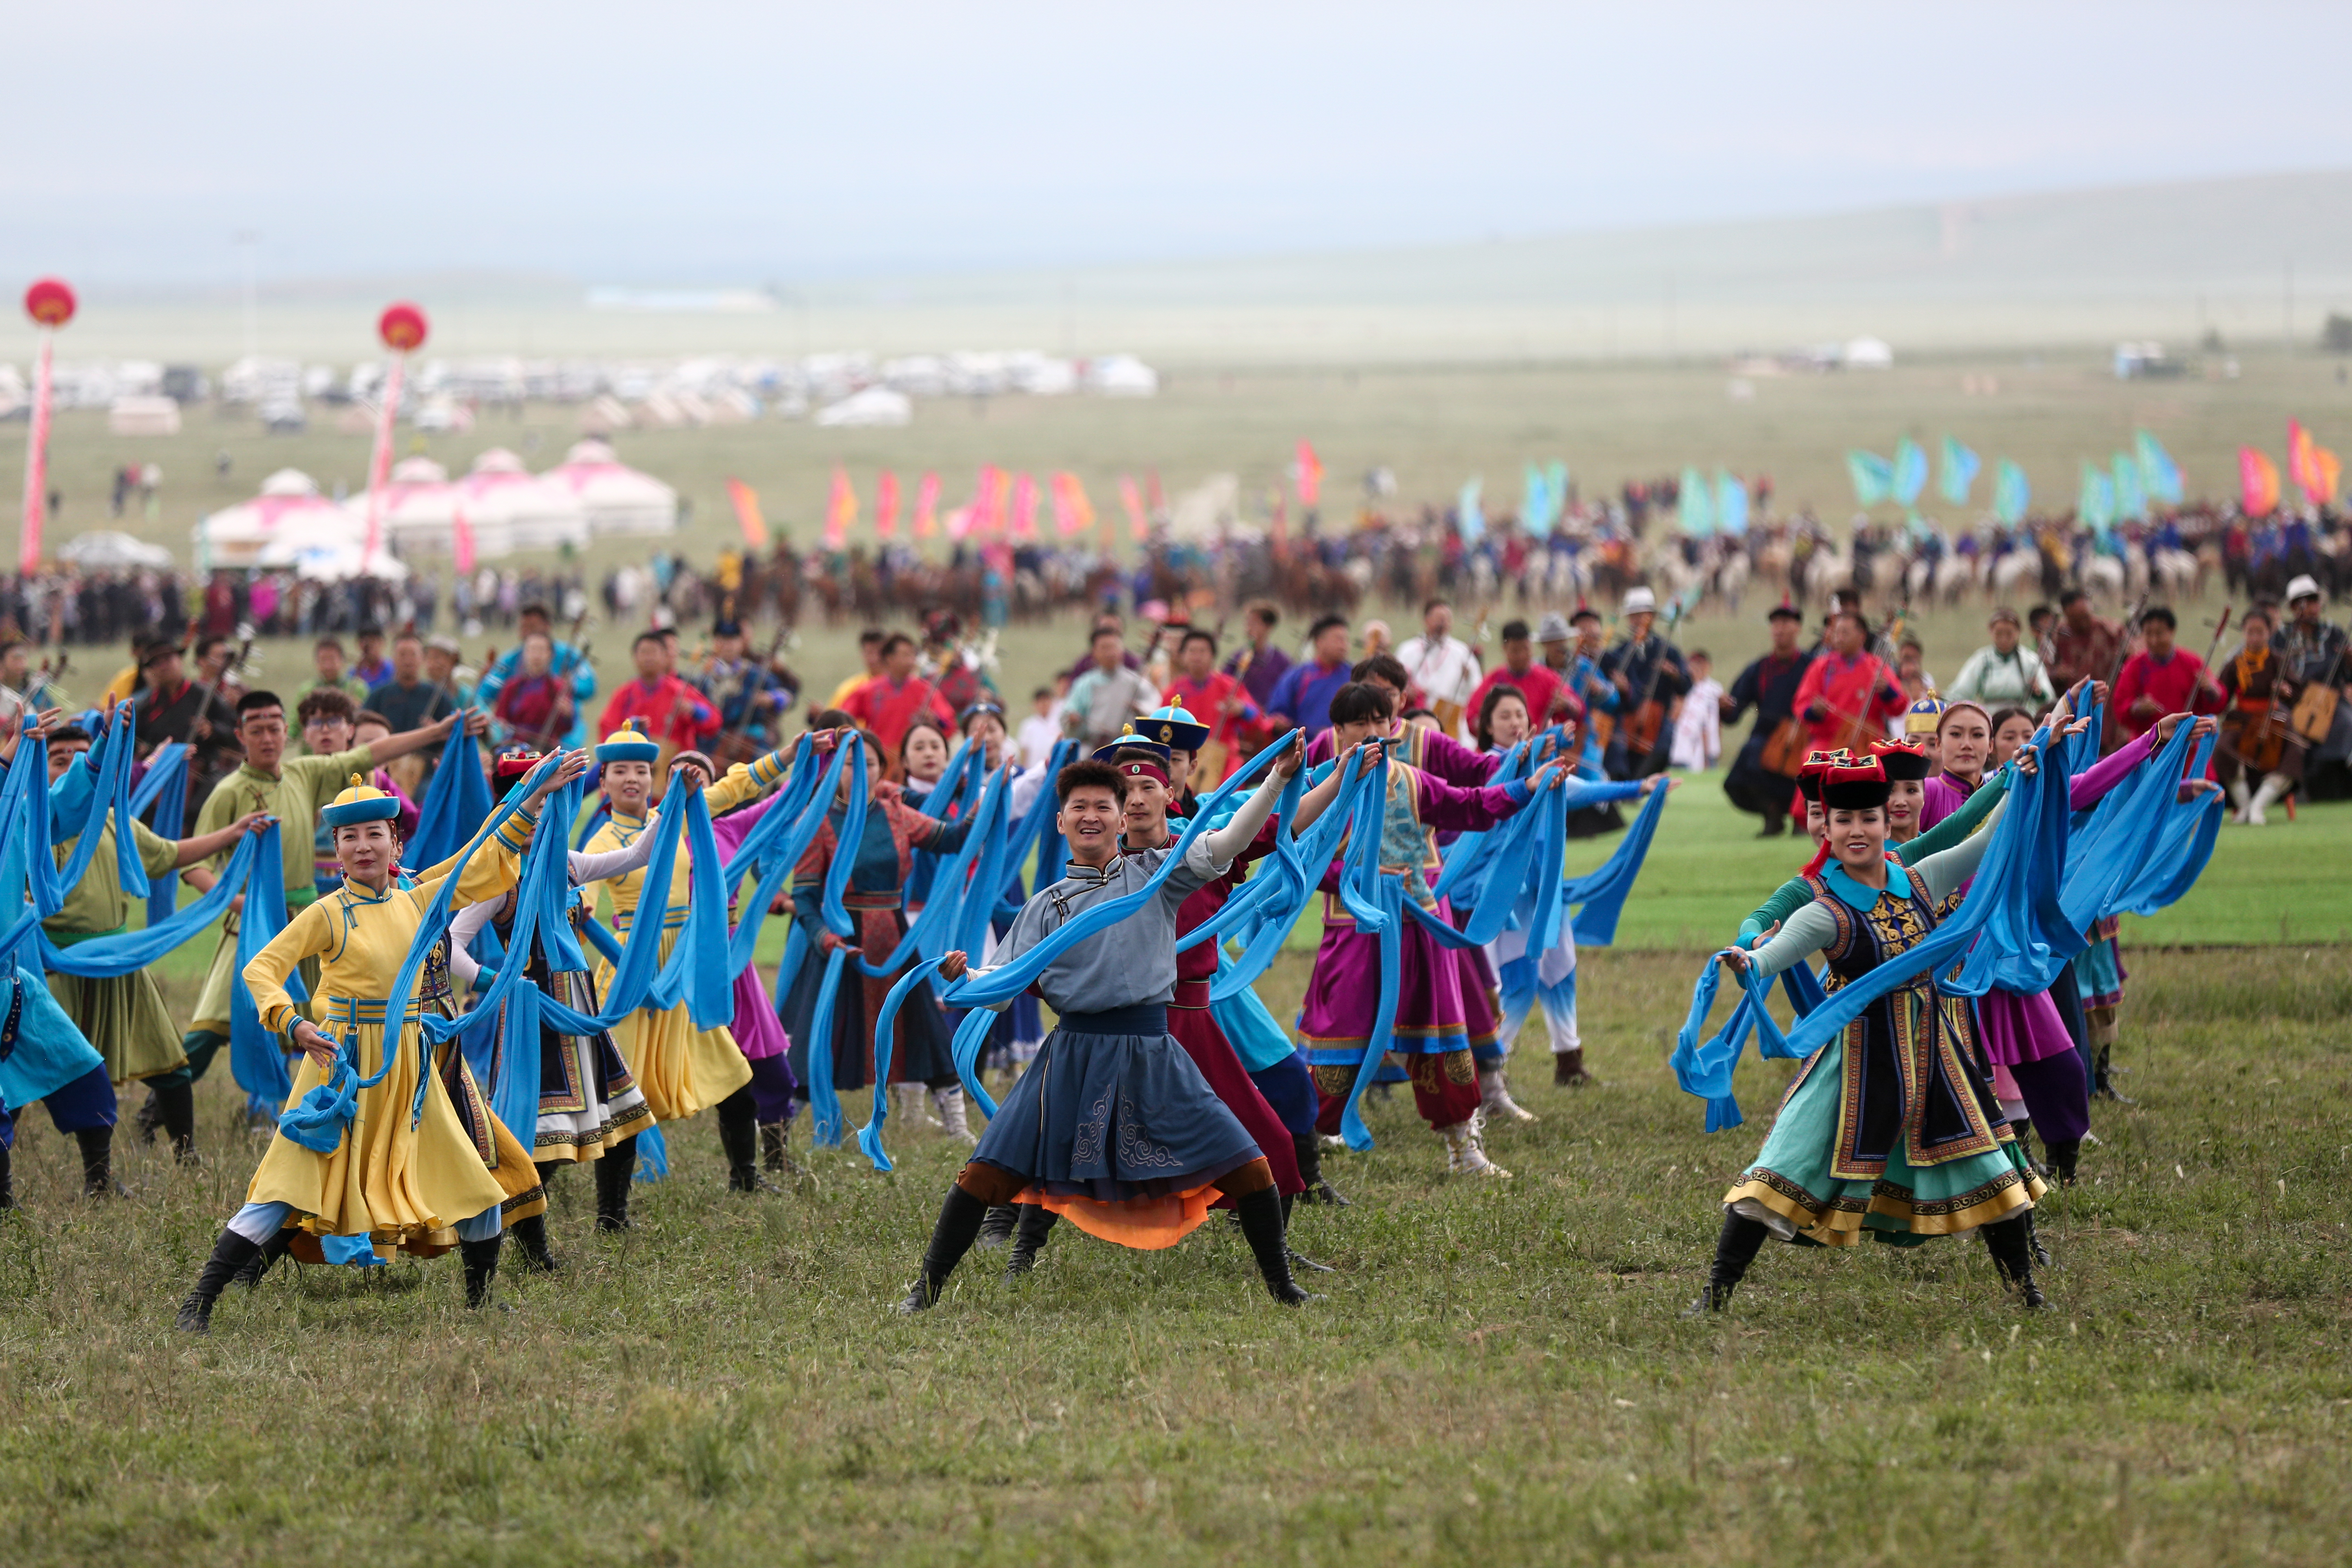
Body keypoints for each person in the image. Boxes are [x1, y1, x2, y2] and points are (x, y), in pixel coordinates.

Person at [172, 754, 586, 1332]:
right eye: (349, 837)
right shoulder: (327, 913)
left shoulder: (417, 900)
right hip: (340, 1074)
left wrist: (534, 796)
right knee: (284, 1192)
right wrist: (293, 1023)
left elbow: (479, 861)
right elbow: (261, 969)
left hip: (411, 1074)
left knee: (479, 1190)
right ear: (335, 848)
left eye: (375, 835)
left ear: (395, 844)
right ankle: (199, 1305)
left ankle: (481, 1301)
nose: (363, 846)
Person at [893, 746, 1305, 1314]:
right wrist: (966, 977)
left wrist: (1278, 782)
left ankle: (1283, 1288)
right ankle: (926, 1290)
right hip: (1071, 1054)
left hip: (1152, 1052)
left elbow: (1230, 842)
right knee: (983, 1176)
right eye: (1079, 807)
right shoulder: (1044, 907)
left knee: (1252, 1168)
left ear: (1120, 818)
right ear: (1060, 822)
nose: (1092, 816)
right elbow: (1007, 979)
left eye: (1103, 807)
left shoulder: (1158, 876)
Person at [1701, 757, 2048, 1312]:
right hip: (1853, 1067)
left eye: (1867, 818)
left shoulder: (1919, 878)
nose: (1856, 830)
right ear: (1828, 831)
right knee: (1777, 1171)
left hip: (1935, 1054)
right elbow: (1772, 955)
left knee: (1994, 1172)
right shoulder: (1824, 913)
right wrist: (1748, 959)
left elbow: (1984, 839)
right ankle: (1715, 1295)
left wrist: (2027, 777)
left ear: (1888, 823)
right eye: (1843, 821)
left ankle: (2026, 1290)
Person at [993, 733, 1316, 1281]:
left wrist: (1331, 774)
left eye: (1150, 786)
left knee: (1262, 1139)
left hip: (1189, 1020)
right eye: (1128, 790)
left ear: (1172, 791)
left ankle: (1277, 1258)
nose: (1138, 799)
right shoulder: (1088, 881)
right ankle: (1019, 1242)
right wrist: (971, 980)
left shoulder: (1183, 859)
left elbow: (1255, 832)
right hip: (1110, 1031)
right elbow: (1029, 966)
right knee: (1062, 1134)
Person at [154, 690, 475, 1132]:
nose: (267, 738)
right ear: (242, 735)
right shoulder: (228, 791)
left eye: (273, 728)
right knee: (214, 1026)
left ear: (287, 733)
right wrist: (241, 903)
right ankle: (163, 1104)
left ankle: (298, 1112)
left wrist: (439, 732)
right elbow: (194, 864)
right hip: (252, 927)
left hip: (310, 918)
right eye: (256, 730)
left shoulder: (302, 774)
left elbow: (371, 751)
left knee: (320, 1023)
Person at [1292, 682, 1575, 1179]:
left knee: (1441, 1033)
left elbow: (1471, 805)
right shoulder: (1319, 790)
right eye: (1360, 723)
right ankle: (1303, 1152)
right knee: (1337, 1037)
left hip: (1420, 925)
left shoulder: (1412, 780)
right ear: (1337, 732)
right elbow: (1302, 861)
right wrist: (1362, 881)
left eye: (1381, 721)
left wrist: (1528, 787)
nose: (1373, 731)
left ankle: (1463, 1149)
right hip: (1352, 929)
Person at [445, 750, 672, 1249]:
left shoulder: (565, 864)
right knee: (540, 1137)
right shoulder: (498, 874)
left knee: (624, 1116)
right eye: (534, 801)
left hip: (580, 1008)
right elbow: (453, 943)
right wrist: (496, 981)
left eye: (551, 803)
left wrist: (673, 799)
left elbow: (638, 856)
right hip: (533, 1014)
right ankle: (531, 1247)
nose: (541, 814)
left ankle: (613, 1218)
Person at [577, 723, 798, 1193]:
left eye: (642, 769)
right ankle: (611, 1216)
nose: (633, 778)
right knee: (624, 1102)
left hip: (681, 972)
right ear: (604, 783)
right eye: (621, 771)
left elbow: (733, 788)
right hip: (632, 973)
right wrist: (585, 906)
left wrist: (787, 756)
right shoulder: (602, 841)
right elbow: (585, 889)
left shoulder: (670, 817)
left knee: (736, 1080)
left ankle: (747, 1179)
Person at [38, 722, 270, 1164]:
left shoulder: (114, 823)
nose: (72, 766)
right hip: (59, 968)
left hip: (122, 960)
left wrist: (232, 833)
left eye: (82, 757)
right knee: (67, 1071)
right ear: (43, 770)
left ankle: (187, 1155)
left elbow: (169, 854)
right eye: (59, 759)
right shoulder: (32, 830)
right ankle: (96, 1177)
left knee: (171, 1063)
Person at [779, 720, 985, 1140]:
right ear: (835, 770)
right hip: (840, 945)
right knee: (818, 1041)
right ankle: (778, 1131)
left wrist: (983, 805)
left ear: (881, 768)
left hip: (893, 937)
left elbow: (952, 839)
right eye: (851, 764)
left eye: (870, 763)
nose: (862, 771)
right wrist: (825, 939)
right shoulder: (816, 821)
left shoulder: (896, 813)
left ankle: (957, 1127)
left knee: (925, 1028)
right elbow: (803, 896)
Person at [299, 694, 421, 899]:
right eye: (317, 722)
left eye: (334, 721)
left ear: (351, 730)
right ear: (305, 733)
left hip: (370, 883)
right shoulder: (296, 780)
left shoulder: (375, 779)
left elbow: (412, 822)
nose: (325, 730)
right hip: (308, 887)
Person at [1719, 604, 1815, 837]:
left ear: (1798, 628)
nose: (1780, 629)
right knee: (1738, 777)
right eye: (1776, 624)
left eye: (1786, 623)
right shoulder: (1759, 668)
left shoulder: (1812, 666)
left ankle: (1801, 817)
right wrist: (1725, 707)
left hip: (1802, 739)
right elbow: (1735, 711)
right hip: (1764, 740)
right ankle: (1772, 814)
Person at [597, 630, 720, 785]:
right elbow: (606, 732)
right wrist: (629, 735)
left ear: (665, 657)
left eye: (654, 653)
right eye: (644, 652)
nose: (649, 658)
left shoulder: (680, 691)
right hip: (633, 774)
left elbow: (714, 722)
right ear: (635, 658)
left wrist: (694, 710)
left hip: (673, 776)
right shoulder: (624, 694)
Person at [1598, 588, 1692, 779]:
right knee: (1617, 748)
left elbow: (1686, 686)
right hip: (1627, 716)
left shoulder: (1668, 650)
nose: (1639, 620)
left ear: (1652, 617)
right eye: (1634, 616)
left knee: (1664, 744)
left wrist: (1675, 675)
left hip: (1659, 715)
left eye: (1643, 615)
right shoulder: (1621, 652)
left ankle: (1646, 782)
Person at [1791, 609, 1905, 764]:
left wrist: (1887, 691)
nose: (1839, 638)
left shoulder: (1877, 667)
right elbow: (1801, 706)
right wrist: (1814, 711)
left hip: (1866, 746)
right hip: (1827, 745)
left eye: (1845, 633)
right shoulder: (1820, 667)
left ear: (1862, 637)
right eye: (1837, 633)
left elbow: (1899, 707)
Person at [475, 601, 597, 747]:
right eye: (523, 627)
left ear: (547, 627)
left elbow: (589, 686)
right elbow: (485, 692)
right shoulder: (510, 661)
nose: (526, 632)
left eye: (532, 627)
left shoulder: (569, 656)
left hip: (561, 737)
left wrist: (571, 687)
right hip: (516, 740)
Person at [2216, 608, 2293, 824]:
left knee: (2295, 749)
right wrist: (2210, 690)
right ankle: (2245, 806)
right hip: (2241, 718)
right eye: (2250, 632)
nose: (2255, 637)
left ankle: (2258, 806)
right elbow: (2222, 698)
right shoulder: (2235, 663)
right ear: (2244, 633)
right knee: (2223, 747)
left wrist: (2286, 691)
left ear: (2270, 633)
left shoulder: (2279, 660)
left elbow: (2296, 691)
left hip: (2273, 717)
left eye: (2260, 632)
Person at [1160, 628, 1263, 787]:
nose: (1197, 656)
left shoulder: (1229, 686)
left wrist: (1242, 710)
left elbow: (1257, 720)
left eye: (1203, 651)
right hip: (1184, 760)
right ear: (1182, 656)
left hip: (1224, 761)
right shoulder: (1173, 692)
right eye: (1192, 651)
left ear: (1213, 656)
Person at [839, 633, 956, 770]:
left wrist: (935, 721)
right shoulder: (869, 690)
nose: (912, 660)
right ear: (890, 658)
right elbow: (842, 719)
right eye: (906, 655)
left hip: (914, 765)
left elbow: (950, 724)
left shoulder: (925, 690)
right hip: (880, 762)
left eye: (913, 655)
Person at [2109, 605, 2221, 747]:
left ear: (2172, 632)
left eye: (2159, 634)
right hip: (2146, 746)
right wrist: (2137, 707)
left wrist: (2210, 690)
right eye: (2148, 634)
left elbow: (2215, 703)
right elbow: (2120, 705)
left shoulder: (2193, 663)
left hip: (2187, 746)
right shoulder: (2134, 666)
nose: (2154, 641)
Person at [365, 630, 459, 794]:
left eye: (413, 655)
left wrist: (438, 729)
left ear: (422, 659)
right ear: (393, 659)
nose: (408, 660)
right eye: (402, 655)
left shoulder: (438, 696)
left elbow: (454, 737)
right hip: (385, 770)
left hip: (426, 773)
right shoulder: (379, 696)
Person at [2275, 574, 2351, 766]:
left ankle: (2337, 771)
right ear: (2293, 607)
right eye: (2304, 602)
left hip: (2332, 699)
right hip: (2294, 701)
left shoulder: (2334, 632)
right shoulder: (2281, 638)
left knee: (2347, 723)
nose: (2311, 607)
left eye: (2314, 600)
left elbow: (2348, 674)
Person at [698, 618, 791, 756]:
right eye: (722, 640)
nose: (728, 646)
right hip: (714, 744)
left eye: (733, 640)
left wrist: (771, 699)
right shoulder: (704, 678)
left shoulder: (756, 674)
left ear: (742, 643)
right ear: (715, 643)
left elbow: (785, 695)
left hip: (751, 743)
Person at [1463, 619, 1566, 741]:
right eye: (1516, 651)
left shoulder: (1549, 679)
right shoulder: (1492, 681)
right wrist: (1492, 729)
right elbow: (1471, 718)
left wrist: (1567, 706)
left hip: (1538, 750)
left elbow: (1578, 710)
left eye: (1526, 649)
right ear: (1505, 649)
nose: (1522, 656)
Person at [1060, 625, 1158, 750]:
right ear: (1094, 652)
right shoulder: (1085, 683)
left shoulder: (1135, 681)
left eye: (1115, 647)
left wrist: (1140, 709)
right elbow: (1068, 714)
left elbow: (1154, 706)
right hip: (1094, 748)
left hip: (1129, 747)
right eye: (1105, 648)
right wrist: (1073, 721)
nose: (1111, 653)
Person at [1396, 598, 1481, 739]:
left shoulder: (1462, 653)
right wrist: (1405, 691)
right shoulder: (1408, 650)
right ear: (1426, 620)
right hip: (1415, 717)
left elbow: (1476, 689)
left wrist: (1468, 678)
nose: (1443, 624)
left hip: (1449, 720)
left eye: (1447, 619)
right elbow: (1396, 683)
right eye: (1438, 619)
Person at [1263, 614, 1354, 740]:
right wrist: (1279, 723)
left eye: (1346, 640)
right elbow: (1277, 713)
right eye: (1338, 639)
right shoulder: (1297, 677)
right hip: (1305, 750)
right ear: (1319, 642)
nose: (1344, 645)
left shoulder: (1354, 676)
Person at [1946, 607, 2056, 708]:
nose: (2004, 639)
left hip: (2022, 718)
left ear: (2018, 632)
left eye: (2009, 634)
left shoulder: (2030, 661)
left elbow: (2048, 698)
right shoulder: (1982, 660)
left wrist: (2039, 693)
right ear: (1991, 632)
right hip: (1991, 719)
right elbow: (1961, 692)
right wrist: (1943, 700)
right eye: (1999, 634)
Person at [491, 630, 576, 750]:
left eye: (541, 650)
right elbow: (500, 719)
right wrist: (501, 726)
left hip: (548, 749)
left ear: (550, 654)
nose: (536, 656)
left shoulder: (560, 687)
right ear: (524, 654)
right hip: (516, 748)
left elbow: (567, 727)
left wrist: (568, 714)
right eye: (532, 650)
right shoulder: (512, 686)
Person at [2046, 589, 2124, 694]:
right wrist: (2058, 674)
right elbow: (2046, 670)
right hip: (2074, 700)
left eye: (2086, 617)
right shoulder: (2060, 635)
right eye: (2076, 619)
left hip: (2108, 696)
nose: (2083, 623)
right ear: (2066, 615)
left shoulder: (2112, 631)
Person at [1222, 601, 1291, 717]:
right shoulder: (1237, 658)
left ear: (1268, 626)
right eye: (1248, 622)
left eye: (1255, 623)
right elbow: (1225, 685)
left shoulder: (1282, 662)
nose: (1249, 628)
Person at [1670, 650, 1722, 769]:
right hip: (1681, 745)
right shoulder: (1682, 688)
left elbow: (1716, 721)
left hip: (1708, 746)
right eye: (1695, 665)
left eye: (1701, 664)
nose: (1698, 668)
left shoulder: (1715, 689)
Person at [293, 636, 369, 713]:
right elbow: (294, 723)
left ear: (342, 661)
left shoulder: (358, 688)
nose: (328, 666)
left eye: (332, 659)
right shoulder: (307, 691)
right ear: (316, 662)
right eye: (323, 660)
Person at [825, 628, 888, 711]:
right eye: (870, 652)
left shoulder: (902, 687)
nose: (875, 658)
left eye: (879, 653)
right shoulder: (849, 690)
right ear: (863, 654)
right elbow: (832, 720)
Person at [1015, 686, 1060, 772]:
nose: (1044, 704)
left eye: (1046, 700)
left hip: (1055, 769)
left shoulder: (1059, 723)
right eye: (1040, 701)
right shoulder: (1028, 725)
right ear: (1035, 704)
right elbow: (1024, 751)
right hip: (1033, 770)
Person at [350, 625, 392, 689]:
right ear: (359, 644)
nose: (370, 646)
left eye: (373, 641)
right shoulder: (353, 675)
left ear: (382, 642)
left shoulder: (393, 670)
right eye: (365, 642)